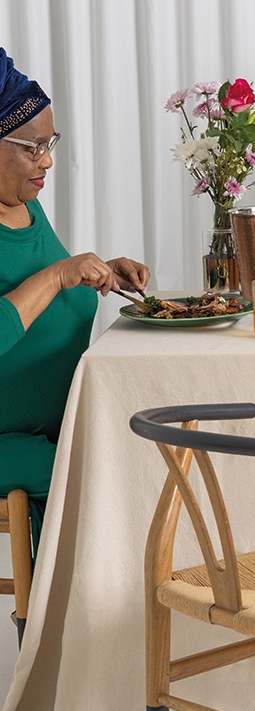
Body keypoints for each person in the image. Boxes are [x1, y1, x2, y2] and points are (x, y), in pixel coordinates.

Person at [0, 47, 149, 556]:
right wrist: (61, 273)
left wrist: (97, 272)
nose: (47, 160)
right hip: (11, 444)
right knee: (104, 478)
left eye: (50, 143)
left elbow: (36, 294)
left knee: (154, 446)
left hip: (57, 426)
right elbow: (36, 289)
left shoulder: (25, 206)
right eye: (32, 147)